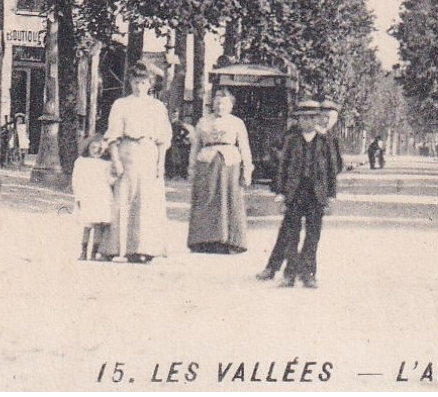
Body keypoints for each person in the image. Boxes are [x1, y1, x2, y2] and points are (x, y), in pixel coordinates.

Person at [259, 96, 344, 288]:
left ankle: (308, 273)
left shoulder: (326, 141)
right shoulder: (292, 140)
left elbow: (333, 169)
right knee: (291, 234)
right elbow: (282, 167)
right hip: (295, 193)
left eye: (313, 118)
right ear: (298, 120)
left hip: (316, 194)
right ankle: (289, 273)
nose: (308, 122)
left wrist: (330, 195)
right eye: (304, 118)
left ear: (318, 119)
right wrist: (281, 192)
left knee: (313, 235)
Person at [101, 63, 173, 263]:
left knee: (147, 201)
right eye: (135, 82)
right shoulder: (121, 104)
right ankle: (118, 247)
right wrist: (116, 160)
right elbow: (113, 136)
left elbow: (163, 138)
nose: (139, 86)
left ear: (150, 84)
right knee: (125, 197)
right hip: (128, 152)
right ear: (130, 83)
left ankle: (145, 248)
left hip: (149, 153)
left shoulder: (157, 107)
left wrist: (161, 163)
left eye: (143, 82)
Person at [187, 88, 253, 254]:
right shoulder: (203, 121)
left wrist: (247, 170)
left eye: (223, 103)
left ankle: (230, 241)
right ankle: (203, 241)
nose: (220, 106)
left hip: (229, 163)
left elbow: (244, 147)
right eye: (216, 102)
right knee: (206, 199)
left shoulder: (237, 122)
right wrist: (192, 167)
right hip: (206, 162)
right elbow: (196, 146)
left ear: (231, 105)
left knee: (228, 199)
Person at [72, 135, 115, 261]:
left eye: (99, 148)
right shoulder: (81, 162)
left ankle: (94, 252)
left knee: (99, 225)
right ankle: (83, 252)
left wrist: (116, 175)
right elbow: (76, 180)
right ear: (88, 147)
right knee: (87, 225)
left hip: (102, 196)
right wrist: (78, 197)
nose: (96, 150)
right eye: (93, 147)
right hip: (87, 195)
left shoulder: (106, 164)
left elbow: (110, 180)